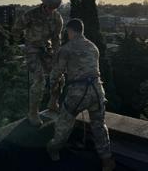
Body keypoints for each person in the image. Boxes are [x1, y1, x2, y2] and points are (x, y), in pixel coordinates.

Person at [47, 19, 115, 171]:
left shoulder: (66, 49)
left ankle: (54, 151)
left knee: (64, 124)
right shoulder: (93, 47)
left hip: (78, 94)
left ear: (70, 31)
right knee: (99, 126)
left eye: (68, 32)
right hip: (97, 90)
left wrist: (53, 95)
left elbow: (55, 75)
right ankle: (107, 161)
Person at [13, 0, 63, 126]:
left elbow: (56, 39)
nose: (50, 11)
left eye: (54, 8)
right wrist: (20, 43)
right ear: (44, 3)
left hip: (46, 49)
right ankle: (33, 113)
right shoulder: (31, 14)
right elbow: (16, 28)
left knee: (58, 76)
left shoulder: (57, 18)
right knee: (39, 79)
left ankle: (53, 103)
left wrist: (57, 56)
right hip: (32, 49)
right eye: (49, 7)